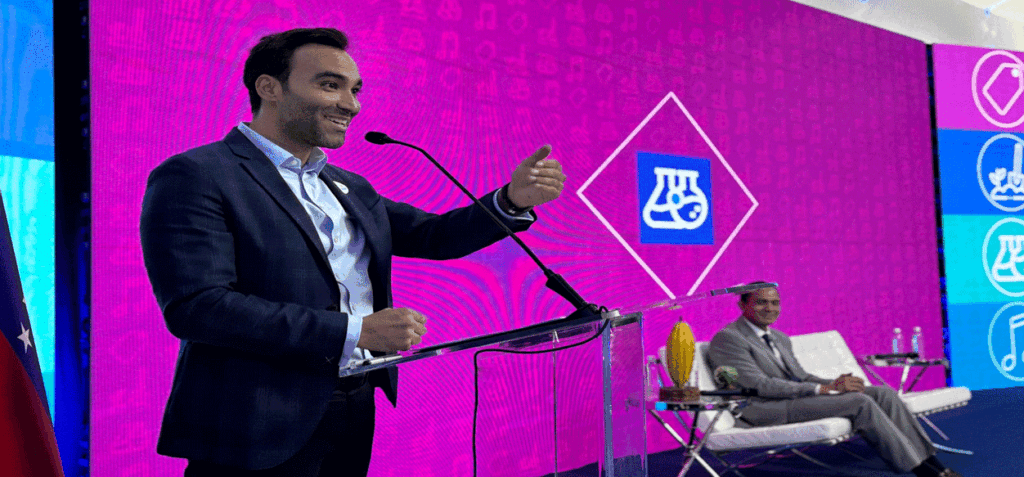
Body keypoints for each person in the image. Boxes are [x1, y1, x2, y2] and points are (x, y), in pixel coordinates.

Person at [139, 27, 567, 477]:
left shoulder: (347, 186)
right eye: (330, 85)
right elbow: (199, 308)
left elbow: (433, 236)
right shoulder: (197, 175)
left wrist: (510, 202)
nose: (352, 104)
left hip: (353, 404)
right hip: (253, 421)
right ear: (269, 88)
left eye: (355, 90)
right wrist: (355, 331)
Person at [706, 283, 962, 477]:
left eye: (775, 303)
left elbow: (801, 376)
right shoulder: (729, 338)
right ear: (742, 305)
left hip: (790, 399)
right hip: (761, 408)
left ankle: (934, 462)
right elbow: (758, 385)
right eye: (761, 303)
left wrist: (836, 383)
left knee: (882, 393)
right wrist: (824, 389)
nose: (770, 309)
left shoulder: (779, 337)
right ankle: (923, 471)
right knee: (859, 403)